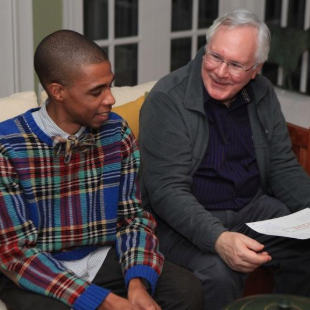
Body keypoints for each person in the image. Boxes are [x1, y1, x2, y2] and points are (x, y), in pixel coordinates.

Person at [0, 30, 203, 310]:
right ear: (58, 91)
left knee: (186, 289)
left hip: (102, 257)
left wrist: (137, 281)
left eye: (110, 86)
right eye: (97, 91)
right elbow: (14, 252)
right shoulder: (8, 147)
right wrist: (101, 300)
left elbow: (133, 219)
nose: (110, 99)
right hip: (38, 269)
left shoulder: (117, 133)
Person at [139, 9, 310, 310]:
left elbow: (282, 164)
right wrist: (219, 239)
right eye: (214, 56)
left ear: (256, 69)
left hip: (250, 208)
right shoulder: (168, 99)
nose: (220, 71)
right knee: (219, 272)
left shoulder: (262, 93)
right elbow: (167, 192)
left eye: (235, 65)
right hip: (180, 222)